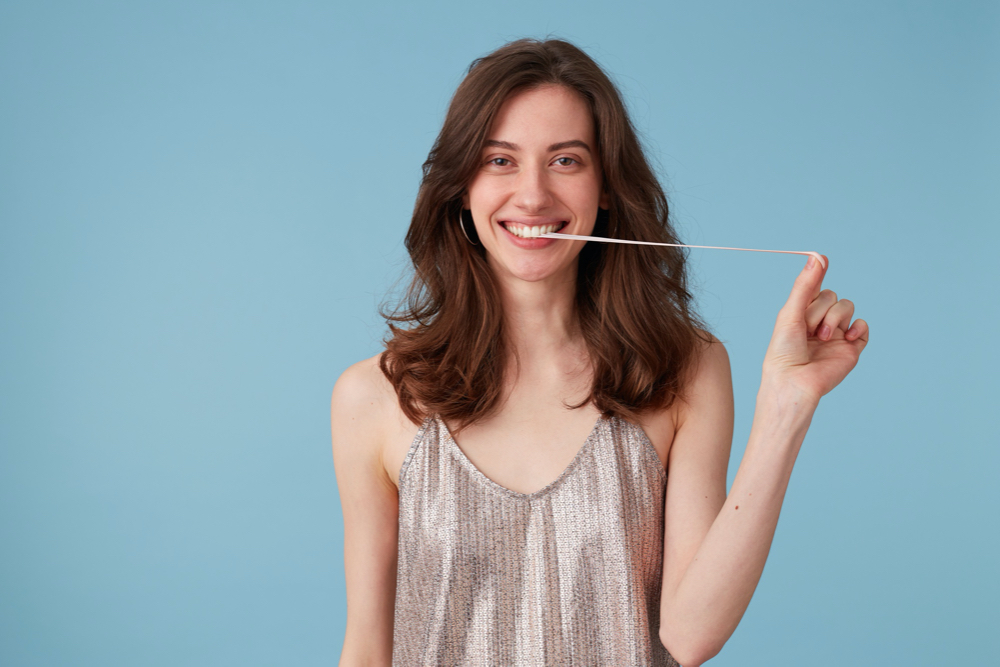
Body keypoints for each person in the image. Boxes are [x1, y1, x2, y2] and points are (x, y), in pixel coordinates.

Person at [331, 38, 868, 667]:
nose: (532, 195)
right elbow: (367, 648)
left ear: (606, 186)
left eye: (565, 160)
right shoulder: (371, 398)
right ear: (461, 188)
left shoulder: (687, 369)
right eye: (500, 160)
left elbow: (690, 637)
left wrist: (786, 404)